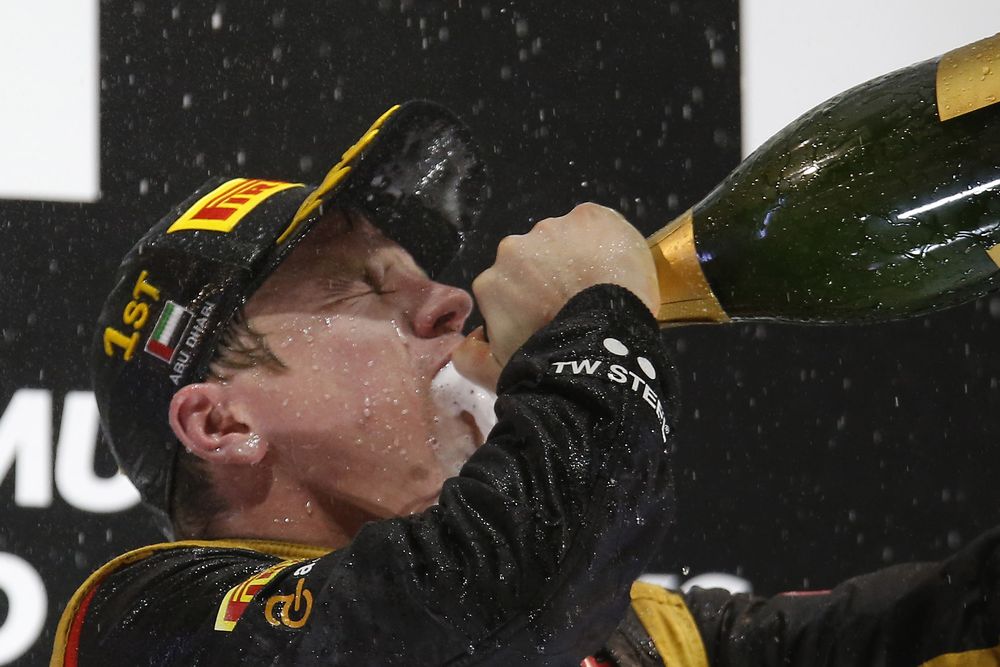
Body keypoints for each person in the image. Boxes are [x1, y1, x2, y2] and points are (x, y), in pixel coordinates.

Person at [50, 101, 1000, 667]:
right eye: (365, 289)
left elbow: (934, 632)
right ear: (220, 422)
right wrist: (598, 324)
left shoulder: (641, 637)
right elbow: (482, 605)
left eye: (423, 277)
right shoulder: (147, 628)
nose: (448, 302)